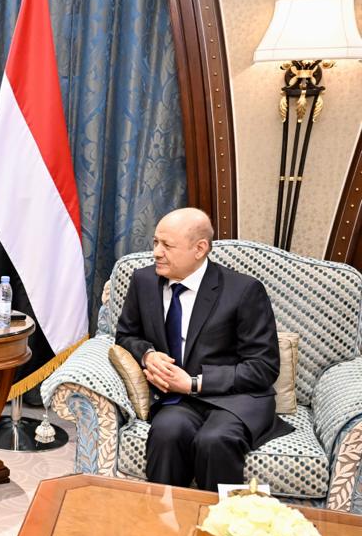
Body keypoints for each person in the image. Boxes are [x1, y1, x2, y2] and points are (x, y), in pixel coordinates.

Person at [115, 207, 291, 491]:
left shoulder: (244, 290)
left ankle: (221, 518)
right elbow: (126, 334)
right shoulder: (143, 281)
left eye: (167, 245)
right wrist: (148, 355)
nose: (156, 252)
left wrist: (194, 383)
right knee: (167, 433)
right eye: (155, 242)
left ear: (200, 249)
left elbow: (263, 367)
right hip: (179, 401)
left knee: (215, 440)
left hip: (236, 398)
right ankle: (164, 513)